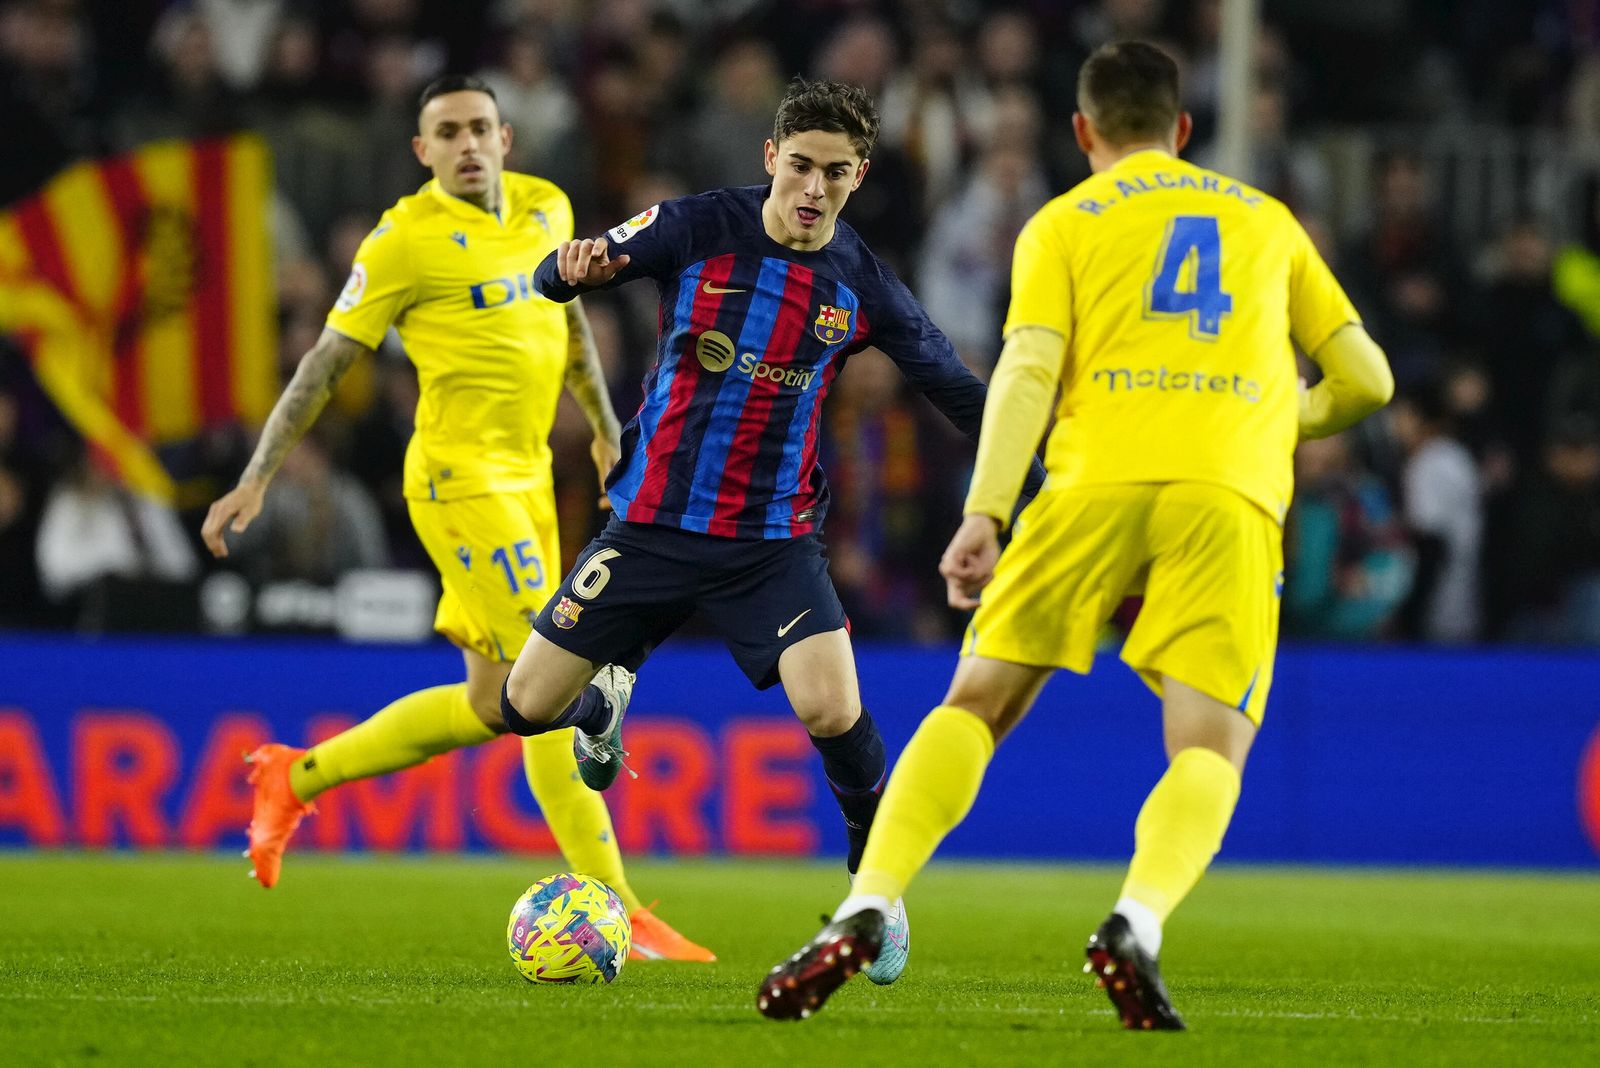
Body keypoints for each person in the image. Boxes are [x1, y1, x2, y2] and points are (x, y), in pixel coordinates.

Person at [758, 42, 1394, 1029]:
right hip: (1227, 493)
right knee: (1207, 746)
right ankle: (1135, 922)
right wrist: (1274, 421)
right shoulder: (1267, 222)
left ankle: (868, 902)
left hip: (1089, 482)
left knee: (976, 704)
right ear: (1184, 131)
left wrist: (986, 510)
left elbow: (1025, 372)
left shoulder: (1062, 223)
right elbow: (1368, 381)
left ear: (1082, 131)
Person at [494, 76, 1045, 989]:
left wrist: (1036, 488)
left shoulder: (861, 283)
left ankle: (877, 892)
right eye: (800, 166)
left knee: (832, 708)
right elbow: (560, 273)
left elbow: (954, 388)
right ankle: (605, 703)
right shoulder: (698, 224)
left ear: (859, 174)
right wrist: (568, 272)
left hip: (769, 542)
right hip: (650, 526)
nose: (814, 188)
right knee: (526, 706)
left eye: (835, 172)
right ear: (770, 160)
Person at [200, 75, 711, 962]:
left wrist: (598, 427)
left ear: (506, 138)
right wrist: (255, 478)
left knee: (493, 704)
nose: (468, 143)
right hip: (456, 480)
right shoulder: (403, 241)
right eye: (448, 132)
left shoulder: (549, 208)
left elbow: (572, 330)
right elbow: (324, 363)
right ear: (422, 151)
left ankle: (294, 775)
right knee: (552, 676)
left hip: (525, 478)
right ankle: (620, 907)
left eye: (480, 127)